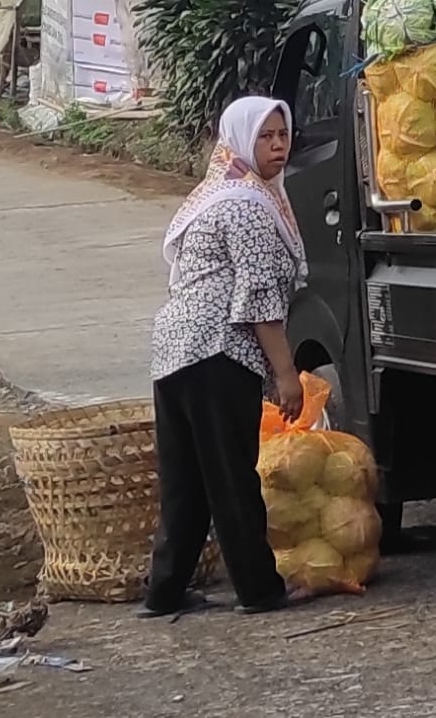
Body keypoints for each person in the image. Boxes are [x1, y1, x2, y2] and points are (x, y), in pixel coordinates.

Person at [142, 96, 310, 617]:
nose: (278, 146)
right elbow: (258, 301)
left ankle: (164, 591)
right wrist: (286, 374)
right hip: (218, 353)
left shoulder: (216, 192)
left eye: (283, 134)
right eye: (265, 136)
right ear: (240, 140)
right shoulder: (247, 204)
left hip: (175, 353)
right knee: (231, 476)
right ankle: (259, 590)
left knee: (186, 480)